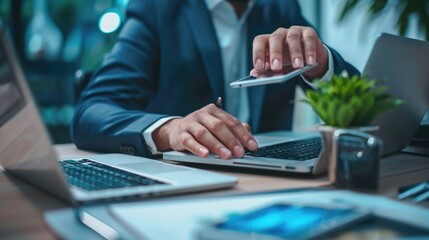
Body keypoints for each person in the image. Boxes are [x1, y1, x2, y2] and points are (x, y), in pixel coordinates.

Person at [71, 0, 358, 160]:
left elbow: (363, 106)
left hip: (273, 183)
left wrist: (322, 66)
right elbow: (91, 112)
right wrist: (170, 130)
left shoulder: (280, 8)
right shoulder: (158, 9)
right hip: (186, 184)